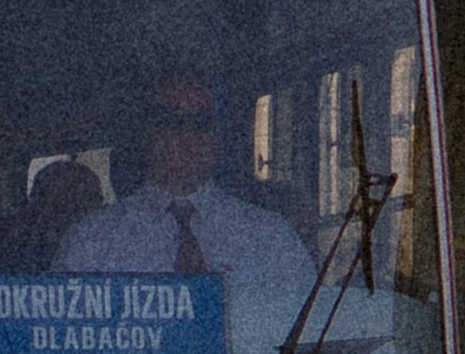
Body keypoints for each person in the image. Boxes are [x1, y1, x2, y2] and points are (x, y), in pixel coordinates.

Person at [55, 61, 311, 285]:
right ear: (147, 131)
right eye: (173, 120)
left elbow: (306, 332)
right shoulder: (93, 242)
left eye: (202, 123)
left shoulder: (271, 238)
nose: (189, 135)